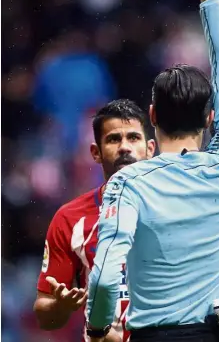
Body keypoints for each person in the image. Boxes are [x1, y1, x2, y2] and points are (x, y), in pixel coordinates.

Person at [86, 0, 219, 342]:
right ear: (211, 116)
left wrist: (97, 323)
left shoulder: (128, 182)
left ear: (152, 115)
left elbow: (106, 277)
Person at [33, 99, 155, 342]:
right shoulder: (70, 218)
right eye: (113, 139)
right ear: (95, 153)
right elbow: (45, 317)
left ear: (150, 148)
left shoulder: (177, 208)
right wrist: (63, 306)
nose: (124, 147)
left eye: (133, 138)